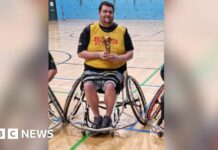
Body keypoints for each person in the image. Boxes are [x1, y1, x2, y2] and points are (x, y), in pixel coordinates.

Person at [77, 1, 134, 129]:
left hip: (115, 71)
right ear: (99, 13)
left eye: (110, 12)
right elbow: (80, 53)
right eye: (105, 11)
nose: (107, 14)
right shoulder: (89, 30)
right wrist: (98, 55)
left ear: (113, 14)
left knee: (109, 86)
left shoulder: (122, 31)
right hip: (92, 70)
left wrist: (119, 57)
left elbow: (130, 54)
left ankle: (107, 117)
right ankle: (97, 117)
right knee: (87, 85)